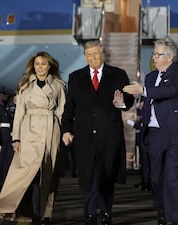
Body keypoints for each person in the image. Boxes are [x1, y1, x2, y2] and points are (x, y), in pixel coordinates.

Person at [123, 36, 178, 225]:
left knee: (173, 177)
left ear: (170, 57)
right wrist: (123, 104)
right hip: (155, 134)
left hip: (177, 133)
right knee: (156, 179)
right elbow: (147, 105)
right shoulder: (150, 77)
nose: (154, 57)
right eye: (154, 54)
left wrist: (145, 90)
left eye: (158, 54)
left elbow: (172, 91)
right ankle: (163, 212)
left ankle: (174, 219)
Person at [61, 40, 135, 225]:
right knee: (87, 177)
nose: (93, 58)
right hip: (84, 137)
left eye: (96, 54)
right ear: (85, 56)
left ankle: (106, 212)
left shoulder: (118, 74)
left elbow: (128, 99)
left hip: (109, 136)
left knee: (106, 176)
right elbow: (69, 109)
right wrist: (66, 130)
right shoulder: (75, 77)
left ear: (102, 54)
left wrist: (122, 103)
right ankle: (90, 214)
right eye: (89, 55)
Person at [0, 51, 66, 225]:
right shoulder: (25, 86)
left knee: (47, 176)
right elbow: (19, 114)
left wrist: (64, 133)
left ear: (50, 65)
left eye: (43, 63)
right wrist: (16, 138)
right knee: (26, 175)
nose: (40, 67)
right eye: (37, 64)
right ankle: (19, 210)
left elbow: (63, 112)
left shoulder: (59, 85)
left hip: (51, 132)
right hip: (29, 132)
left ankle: (43, 214)